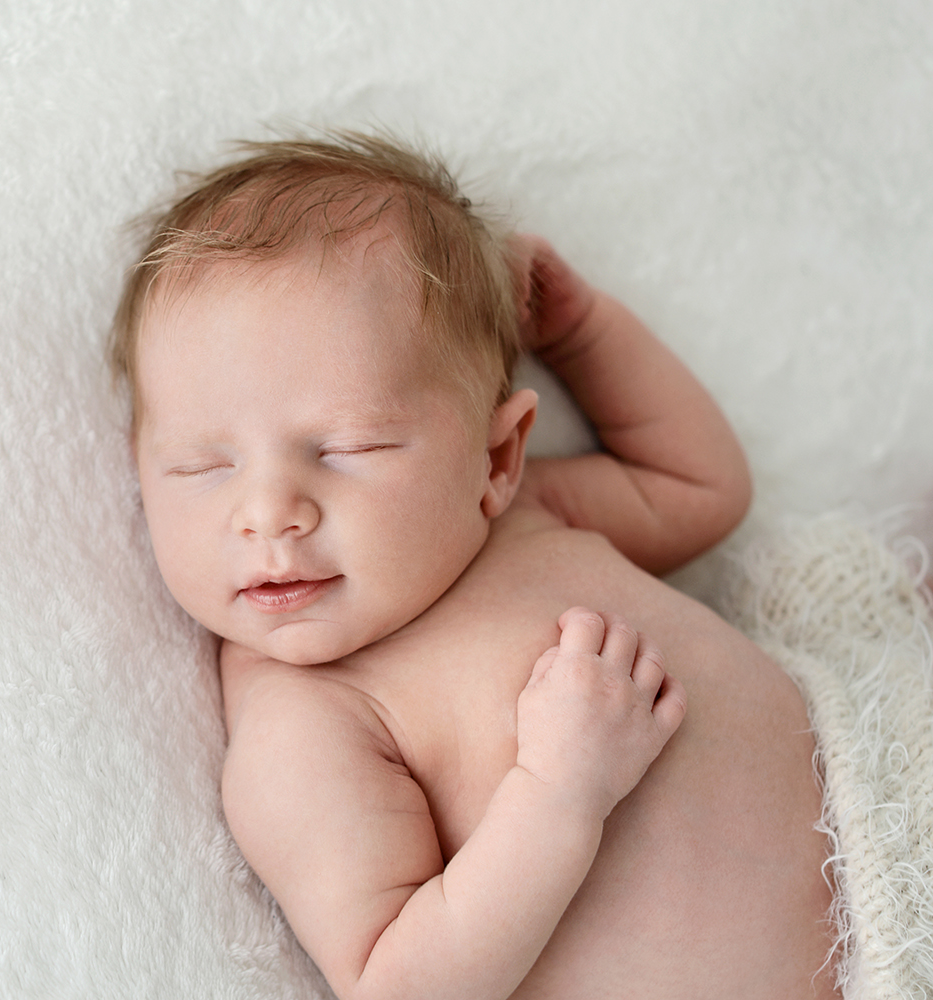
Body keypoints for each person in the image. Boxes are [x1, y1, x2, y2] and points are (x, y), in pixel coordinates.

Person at [111, 132, 837, 999]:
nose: (268, 512)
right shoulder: (306, 719)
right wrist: (559, 792)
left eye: (346, 448)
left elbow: (700, 488)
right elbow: (399, 983)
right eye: (202, 466)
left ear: (495, 460)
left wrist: (583, 334)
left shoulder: (523, 514)